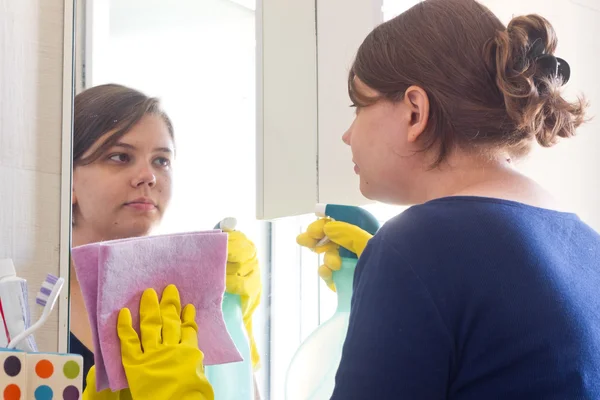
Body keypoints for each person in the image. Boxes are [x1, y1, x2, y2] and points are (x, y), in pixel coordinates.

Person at [297, 0, 600, 398]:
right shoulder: (585, 243)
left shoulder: (415, 248)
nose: (347, 135)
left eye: (359, 106)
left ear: (414, 113)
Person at [70, 84, 261, 398]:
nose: (148, 176)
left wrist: (235, 324)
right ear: (69, 178)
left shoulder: (186, 301)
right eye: (120, 157)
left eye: (161, 161)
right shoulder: (33, 308)